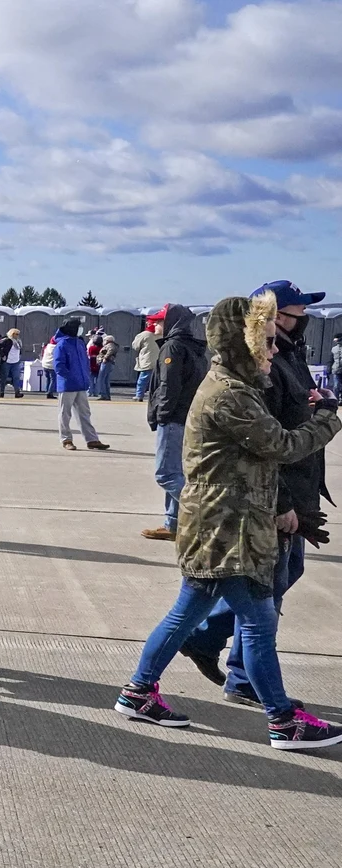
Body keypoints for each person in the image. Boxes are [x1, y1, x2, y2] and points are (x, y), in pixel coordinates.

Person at [115, 292, 342, 750]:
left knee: (187, 613)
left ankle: (138, 691)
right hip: (229, 530)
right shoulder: (231, 393)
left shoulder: (237, 386)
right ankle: (282, 720)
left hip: (220, 525)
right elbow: (281, 445)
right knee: (258, 622)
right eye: (267, 344)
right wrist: (326, 417)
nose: (275, 351)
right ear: (245, 344)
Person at [177, 281, 330, 702]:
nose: (305, 321)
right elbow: (271, 446)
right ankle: (245, 680)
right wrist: (283, 504)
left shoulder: (283, 355)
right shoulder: (256, 369)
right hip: (266, 498)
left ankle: (205, 645)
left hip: (288, 490)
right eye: (300, 312)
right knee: (262, 596)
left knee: (267, 584)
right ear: (277, 316)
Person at [140, 305, 204, 541]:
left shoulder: (173, 347)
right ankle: (173, 524)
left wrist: (162, 414)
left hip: (175, 418)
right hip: (188, 418)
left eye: (158, 321)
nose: (154, 325)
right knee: (178, 472)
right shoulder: (191, 347)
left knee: (166, 474)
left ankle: (205, 514)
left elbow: (169, 385)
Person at [54, 319, 108, 450]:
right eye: (78, 327)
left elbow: (84, 362)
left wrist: (85, 375)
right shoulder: (62, 344)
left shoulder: (79, 343)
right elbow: (58, 366)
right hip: (68, 385)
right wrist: (70, 377)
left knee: (85, 413)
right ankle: (66, 439)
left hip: (81, 384)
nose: (81, 329)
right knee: (65, 413)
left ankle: (92, 439)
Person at [132, 315, 161, 401]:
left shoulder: (144, 334)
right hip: (159, 361)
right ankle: (155, 396)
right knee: (157, 381)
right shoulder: (161, 334)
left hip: (147, 360)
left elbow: (135, 346)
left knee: (143, 379)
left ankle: (139, 395)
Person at [0, 327, 25, 398]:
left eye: (18, 334)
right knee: (4, 377)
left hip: (16, 362)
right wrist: (2, 355)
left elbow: (19, 350)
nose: (17, 335)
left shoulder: (18, 342)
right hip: (7, 361)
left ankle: (17, 392)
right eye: (16, 334)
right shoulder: (7, 340)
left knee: (16, 377)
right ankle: (2, 392)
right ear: (12, 334)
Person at [91, 331, 118, 401]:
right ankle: (107, 395)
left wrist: (105, 358)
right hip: (108, 363)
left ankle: (104, 395)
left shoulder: (110, 345)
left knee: (101, 379)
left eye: (105, 340)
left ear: (108, 340)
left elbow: (110, 351)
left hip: (106, 363)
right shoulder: (112, 345)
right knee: (105, 380)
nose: (104, 341)